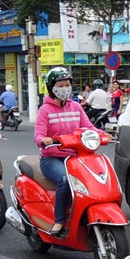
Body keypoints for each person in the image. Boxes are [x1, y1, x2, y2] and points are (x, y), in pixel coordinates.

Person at [35, 66, 96, 236]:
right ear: (51, 88)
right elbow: (39, 134)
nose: (64, 89)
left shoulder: (76, 107)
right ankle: (59, 221)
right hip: (52, 159)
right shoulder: (44, 110)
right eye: (60, 85)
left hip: (76, 157)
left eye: (67, 84)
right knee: (64, 179)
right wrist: (43, 140)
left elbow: (88, 127)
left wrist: (102, 133)